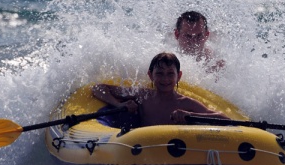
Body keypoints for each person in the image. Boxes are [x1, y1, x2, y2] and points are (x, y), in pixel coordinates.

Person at [92, 52, 229, 127]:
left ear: (178, 76)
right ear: (150, 75)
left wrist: (189, 115)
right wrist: (119, 104)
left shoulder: (185, 103)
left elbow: (223, 118)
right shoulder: (142, 96)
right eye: (159, 74)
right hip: (143, 148)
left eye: (170, 74)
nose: (165, 79)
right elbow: (99, 88)